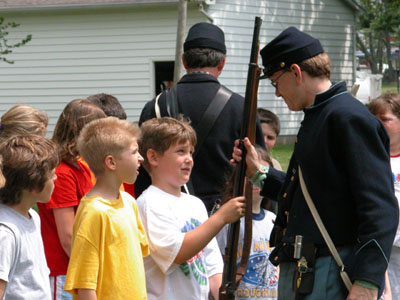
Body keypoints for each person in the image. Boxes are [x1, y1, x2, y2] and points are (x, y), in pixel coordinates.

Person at [231, 27, 398, 300]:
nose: (277, 93)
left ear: (296, 72)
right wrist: (259, 173)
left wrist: (367, 281)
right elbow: (314, 195)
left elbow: (380, 208)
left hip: (330, 269)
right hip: (308, 270)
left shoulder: (346, 118)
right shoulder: (321, 115)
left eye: (276, 81)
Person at [137, 22, 266, 213]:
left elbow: (143, 169)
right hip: (225, 214)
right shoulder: (241, 107)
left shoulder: (156, 106)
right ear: (222, 63)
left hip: (165, 210)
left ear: (184, 61)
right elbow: (258, 164)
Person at [137, 117, 246, 300]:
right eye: (180, 151)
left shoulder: (195, 204)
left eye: (191, 152)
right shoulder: (149, 204)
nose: (189, 159)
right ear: (153, 157)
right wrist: (221, 218)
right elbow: (177, 253)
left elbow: (211, 264)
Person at [64, 117, 149, 299]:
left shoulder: (129, 201)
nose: (141, 158)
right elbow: (85, 285)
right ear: (111, 162)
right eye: (134, 152)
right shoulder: (94, 213)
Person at [37, 99, 106, 300]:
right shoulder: (62, 172)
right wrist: (91, 270)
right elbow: (68, 237)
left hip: (78, 272)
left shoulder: (80, 166)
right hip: (64, 272)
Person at [0, 135, 60, 300]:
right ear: (34, 184)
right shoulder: (5, 233)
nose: (56, 178)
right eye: (52, 174)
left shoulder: (33, 216)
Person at [217, 146, 278, 300]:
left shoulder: (274, 220)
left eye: (261, 171)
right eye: (249, 173)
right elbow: (216, 263)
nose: (255, 178)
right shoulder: (228, 220)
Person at [369, 93, 400, 300]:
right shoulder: (367, 158)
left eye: (385, 119)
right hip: (380, 249)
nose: (377, 125)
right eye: (373, 119)